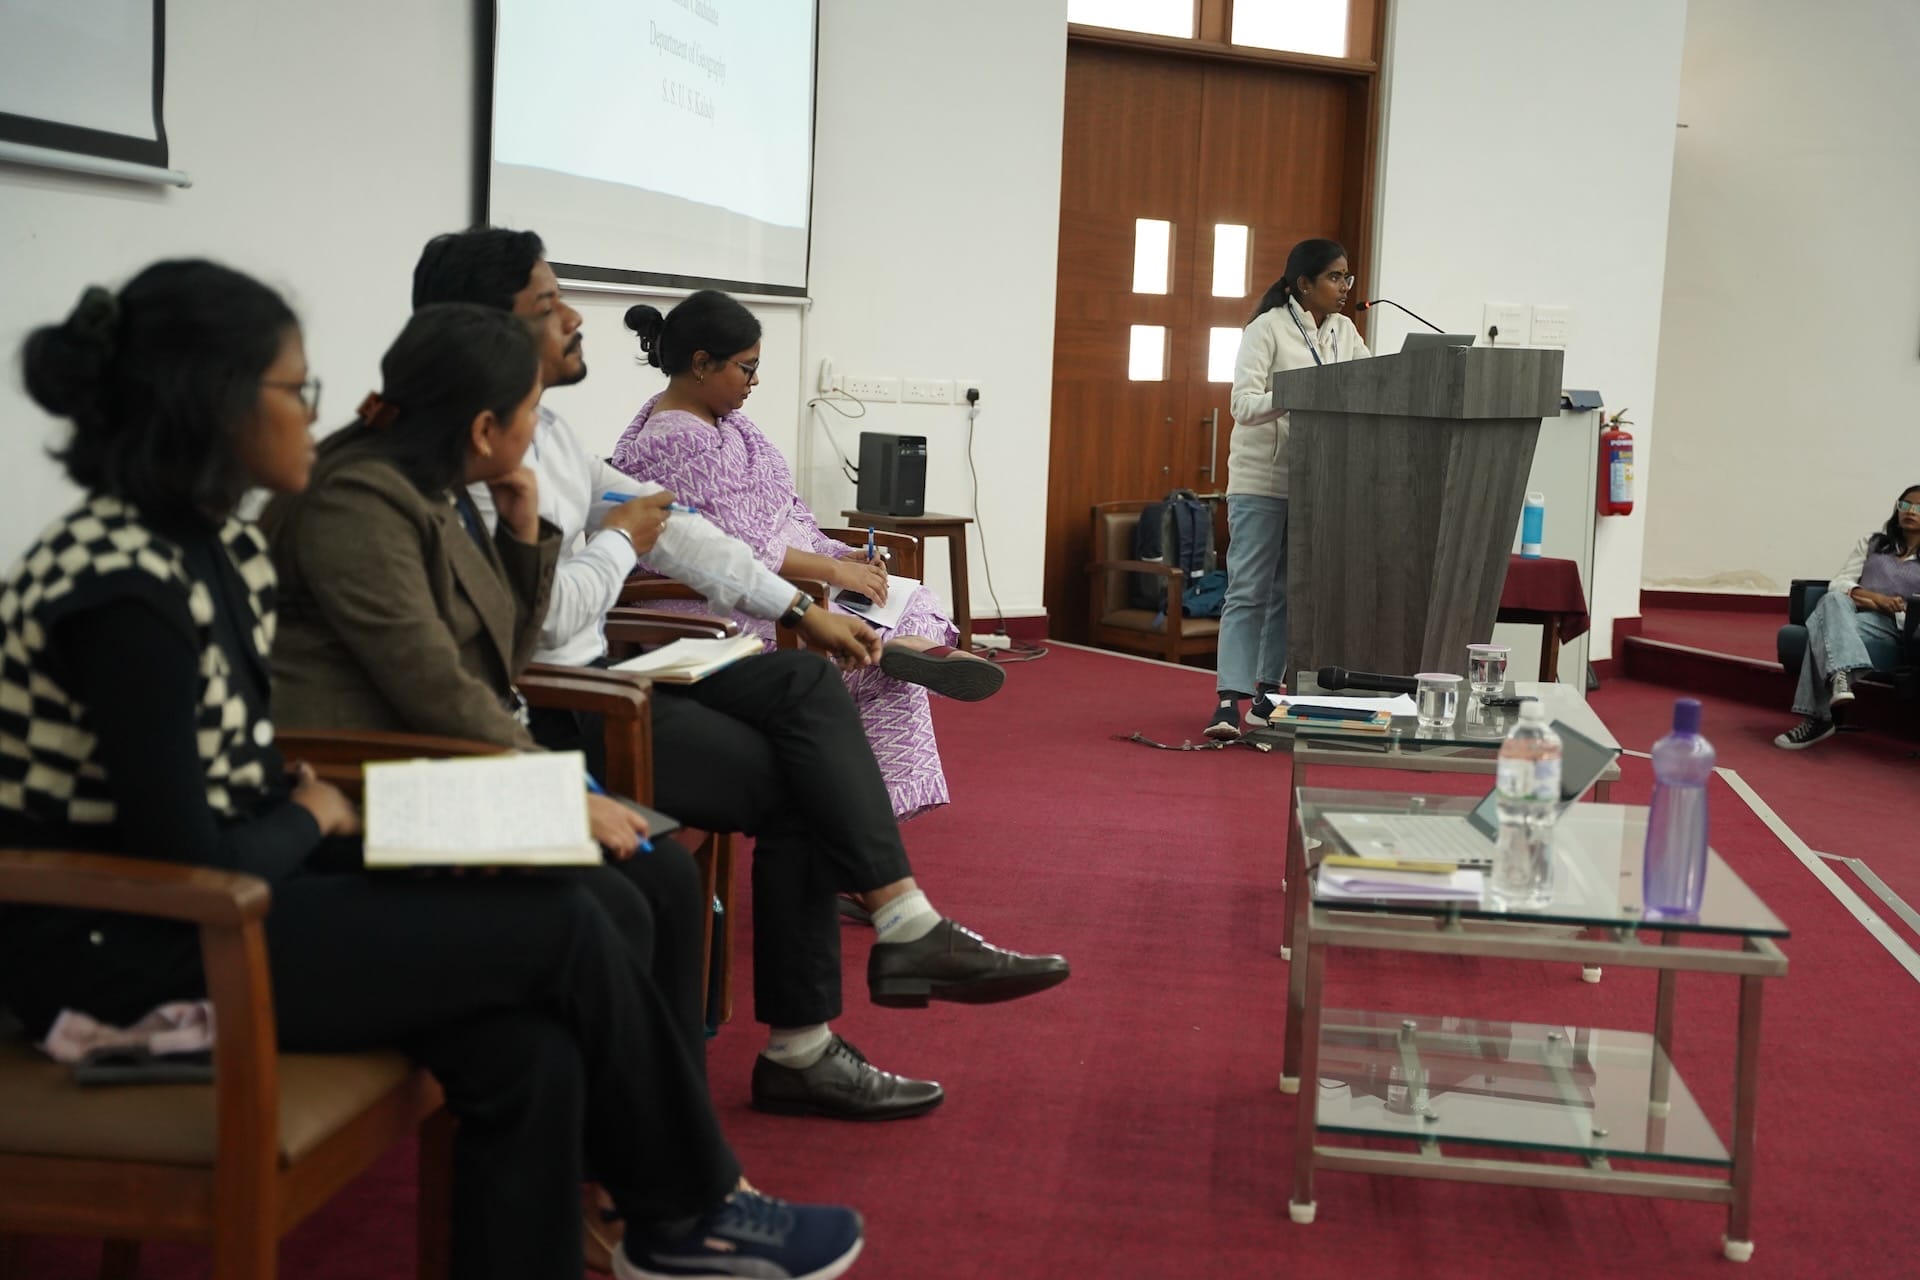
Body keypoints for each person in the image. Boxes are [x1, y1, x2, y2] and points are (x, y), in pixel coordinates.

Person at [0, 262, 864, 1280]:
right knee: (569, 920)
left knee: (530, 1048)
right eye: (296, 388)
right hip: (137, 947)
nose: (316, 413)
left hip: (257, 868)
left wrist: (347, 810)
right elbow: (188, 854)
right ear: (213, 402)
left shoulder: (206, 543)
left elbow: (253, 776)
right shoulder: (121, 583)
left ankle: (670, 1212)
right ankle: (686, 1209)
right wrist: (320, 813)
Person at [407, 228, 1070, 1127]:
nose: (573, 318)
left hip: (613, 672)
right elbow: (548, 620)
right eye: (548, 302)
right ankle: (810, 1036)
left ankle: (895, 933)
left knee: (807, 690)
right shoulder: (470, 457)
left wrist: (801, 608)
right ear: (484, 327)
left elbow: (681, 531)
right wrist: (621, 542)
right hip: (564, 707)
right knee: (801, 773)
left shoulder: (550, 436)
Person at [611, 289, 1004, 821]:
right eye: (747, 368)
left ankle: (865, 815)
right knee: (882, 664)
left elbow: (783, 512)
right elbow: (737, 551)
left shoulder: (722, 421)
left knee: (909, 603)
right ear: (701, 363)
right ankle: (867, 820)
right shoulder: (674, 441)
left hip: (776, 585)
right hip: (713, 610)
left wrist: (839, 553)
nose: (755, 381)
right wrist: (834, 569)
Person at [1205, 238, 1372, 741]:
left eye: (1347, 277)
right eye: (1334, 277)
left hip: (1318, 482)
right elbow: (1243, 404)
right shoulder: (1267, 328)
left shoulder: (1345, 331)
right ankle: (1227, 701)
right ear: (1303, 283)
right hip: (1262, 480)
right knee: (1248, 590)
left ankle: (1265, 695)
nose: (1344, 287)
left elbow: (1372, 384)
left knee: (1287, 593)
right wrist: (1298, 392)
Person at [1774, 484, 1920, 749]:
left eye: (1919, 508)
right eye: (1906, 505)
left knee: (1824, 622)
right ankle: (1839, 676)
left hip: (1893, 626)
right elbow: (1840, 583)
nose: (1910, 511)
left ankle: (1819, 718)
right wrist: (1875, 599)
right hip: (1851, 614)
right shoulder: (1873, 543)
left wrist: (1888, 607)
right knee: (1832, 600)